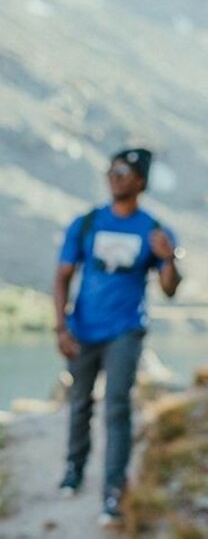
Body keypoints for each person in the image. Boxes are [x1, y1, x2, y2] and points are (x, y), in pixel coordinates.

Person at [54, 147, 182, 526]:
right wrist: (61, 327)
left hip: (126, 330)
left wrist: (170, 259)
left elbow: (170, 289)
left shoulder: (155, 230)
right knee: (79, 403)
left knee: (117, 407)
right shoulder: (88, 222)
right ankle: (74, 469)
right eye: (111, 170)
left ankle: (113, 490)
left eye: (123, 171)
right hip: (83, 330)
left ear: (140, 180)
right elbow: (62, 277)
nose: (114, 176)